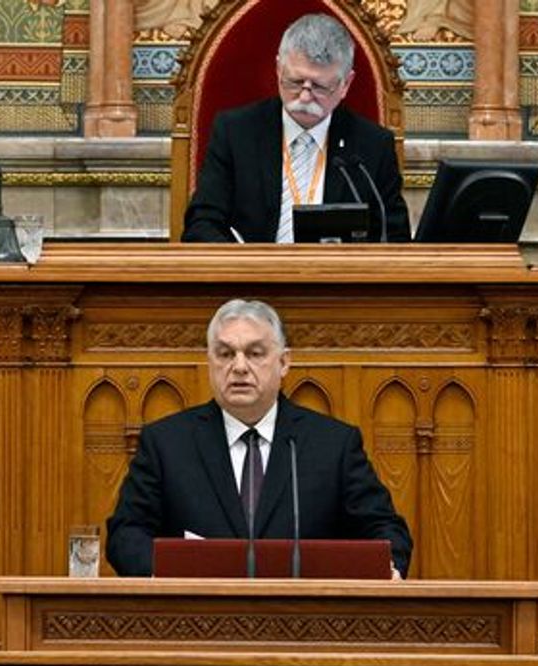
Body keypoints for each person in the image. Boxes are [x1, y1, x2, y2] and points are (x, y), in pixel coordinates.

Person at [106, 298, 413, 577]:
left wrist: (388, 569)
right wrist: (175, 573)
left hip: (304, 615)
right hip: (197, 612)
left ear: (284, 362)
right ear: (209, 361)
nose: (239, 367)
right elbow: (126, 534)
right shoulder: (167, 443)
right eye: (225, 354)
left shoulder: (332, 445)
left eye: (255, 353)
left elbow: (385, 530)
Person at [181, 13, 410, 244]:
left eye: (319, 87)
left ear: (345, 84)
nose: (305, 96)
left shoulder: (373, 146)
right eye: (295, 82)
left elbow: (394, 238)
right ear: (279, 69)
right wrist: (244, 262)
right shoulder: (235, 132)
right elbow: (201, 224)